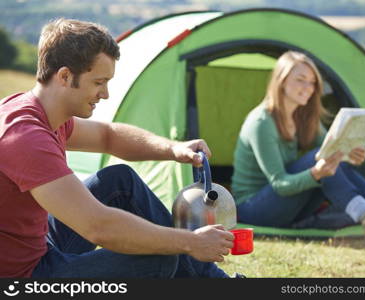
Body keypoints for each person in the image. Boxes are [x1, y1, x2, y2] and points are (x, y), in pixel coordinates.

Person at [0, 18, 240, 278]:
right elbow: (98, 227)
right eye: (98, 82)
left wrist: (172, 149)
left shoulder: (43, 113)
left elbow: (108, 136)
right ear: (65, 76)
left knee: (120, 181)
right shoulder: (25, 136)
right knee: (158, 260)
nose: (105, 94)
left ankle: (213, 281)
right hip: (22, 275)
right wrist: (190, 242)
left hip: (39, 247)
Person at [231, 51, 365, 250]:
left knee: (328, 157)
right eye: (300, 80)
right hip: (254, 209)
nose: (307, 88)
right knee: (317, 159)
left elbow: (331, 149)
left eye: (312, 82)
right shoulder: (262, 123)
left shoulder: (303, 115)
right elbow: (280, 184)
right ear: (281, 81)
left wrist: (349, 155)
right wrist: (316, 173)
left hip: (286, 206)